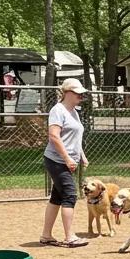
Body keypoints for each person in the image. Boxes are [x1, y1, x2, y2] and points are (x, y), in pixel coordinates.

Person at [40, 77, 90, 247]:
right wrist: (67, 158)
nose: (81, 97)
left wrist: (81, 155)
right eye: (78, 94)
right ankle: (70, 237)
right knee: (70, 195)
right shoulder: (58, 110)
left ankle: (46, 235)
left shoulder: (74, 111)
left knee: (57, 196)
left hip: (68, 160)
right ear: (67, 92)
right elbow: (54, 136)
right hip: (56, 160)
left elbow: (73, 137)